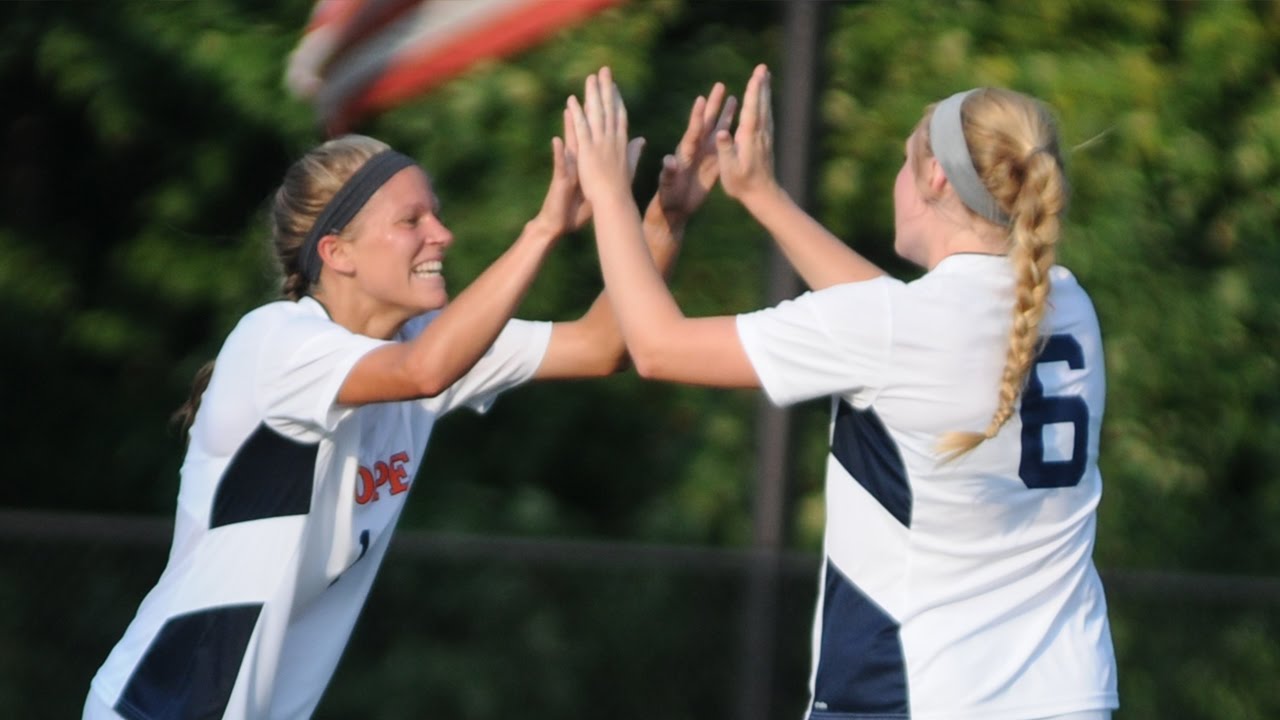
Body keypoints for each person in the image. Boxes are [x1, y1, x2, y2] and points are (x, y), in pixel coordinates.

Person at [84, 83, 736, 720]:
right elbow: (424, 371)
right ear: (337, 254)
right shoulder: (277, 342)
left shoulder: (426, 340)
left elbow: (602, 346)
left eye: (437, 213)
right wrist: (543, 229)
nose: (443, 235)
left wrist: (663, 219)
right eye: (411, 221)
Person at [568, 65, 1117, 719]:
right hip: (1068, 693)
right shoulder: (1067, 303)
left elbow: (656, 348)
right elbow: (888, 321)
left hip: (917, 696)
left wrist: (608, 195)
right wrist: (762, 195)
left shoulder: (896, 329)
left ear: (936, 177)